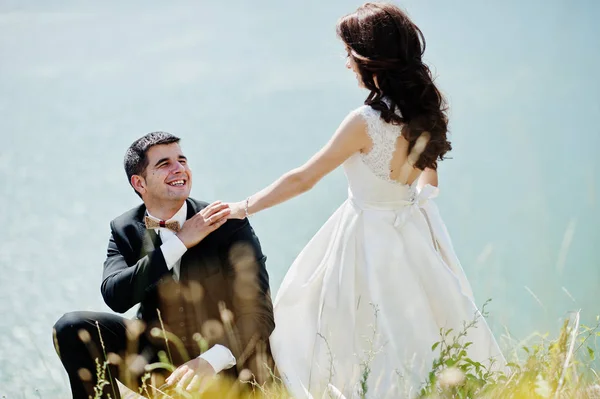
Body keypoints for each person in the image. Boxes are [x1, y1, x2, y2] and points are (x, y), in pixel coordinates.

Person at [225, 3, 505, 397]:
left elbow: (305, 178)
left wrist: (245, 206)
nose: (345, 64)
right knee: (421, 324)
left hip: (366, 234)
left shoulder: (365, 121)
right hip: (414, 230)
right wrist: (414, 207)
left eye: (348, 54)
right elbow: (429, 173)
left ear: (370, 59)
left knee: (338, 323)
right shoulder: (422, 110)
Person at [52, 132, 275, 398]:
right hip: (158, 363)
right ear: (139, 183)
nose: (179, 168)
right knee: (71, 327)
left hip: (225, 367)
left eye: (182, 160)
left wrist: (209, 361)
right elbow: (116, 296)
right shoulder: (124, 228)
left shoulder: (228, 224)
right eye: (164, 164)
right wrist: (179, 242)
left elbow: (260, 313)